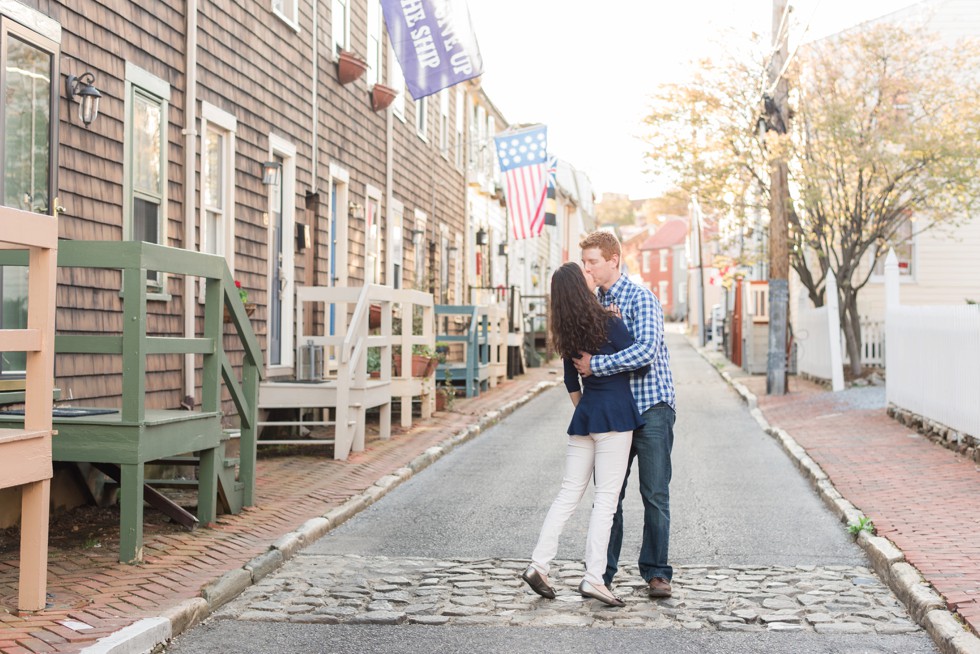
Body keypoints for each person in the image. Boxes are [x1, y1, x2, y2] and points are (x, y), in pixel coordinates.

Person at [521, 262, 644, 608]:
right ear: (580, 286)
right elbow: (641, 359)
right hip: (616, 416)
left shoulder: (567, 331)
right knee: (606, 500)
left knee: (567, 495)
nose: (592, 275)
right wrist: (617, 319)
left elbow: (570, 381)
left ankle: (539, 565)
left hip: (586, 415)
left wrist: (586, 408)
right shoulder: (608, 321)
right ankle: (593, 578)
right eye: (586, 274)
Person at [574, 230, 677, 599]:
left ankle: (657, 573)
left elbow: (646, 350)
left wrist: (597, 365)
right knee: (609, 495)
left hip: (651, 406)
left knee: (654, 492)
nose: (586, 268)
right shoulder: (589, 304)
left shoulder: (641, 298)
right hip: (614, 414)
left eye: (592, 262)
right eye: (584, 262)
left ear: (613, 260)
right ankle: (603, 573)